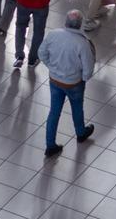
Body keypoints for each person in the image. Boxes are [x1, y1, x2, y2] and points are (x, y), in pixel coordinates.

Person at [38, 10, 96, 158]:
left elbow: (41, 53)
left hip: (55, 81)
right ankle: (81, 133)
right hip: (74, 83)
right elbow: (88, 69)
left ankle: (50, 145)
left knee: (54, 112)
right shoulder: (82, 43)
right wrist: (82, 78)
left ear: (65, 22)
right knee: (77, 108)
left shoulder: (53, 35)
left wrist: (51, 67)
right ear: (80, 25)